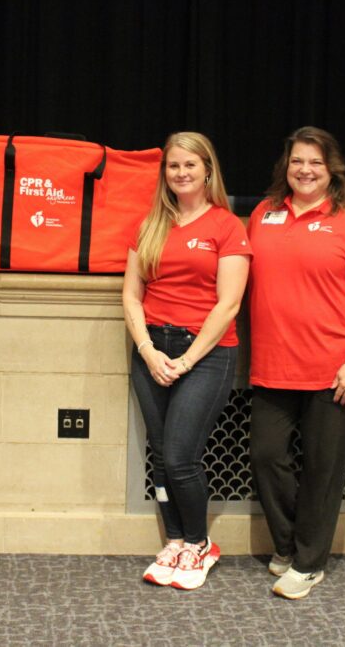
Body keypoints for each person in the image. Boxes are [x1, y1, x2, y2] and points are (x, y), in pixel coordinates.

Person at [247, 126, 345, 600]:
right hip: (271, 365)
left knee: (323, 470)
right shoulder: (263, 214)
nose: (305, 170)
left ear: (332, 170)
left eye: (315, 162)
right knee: (267, 457)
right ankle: (289, 543)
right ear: (284, 167)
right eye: (296, 162)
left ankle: (309, 563)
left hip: (332, 371)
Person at [123, 132, 251, 590]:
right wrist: (147, 350)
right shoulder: (151, 224)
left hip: (208, 353)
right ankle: (175, 540)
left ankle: (199, 544)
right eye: (173, 166)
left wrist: (186, 359)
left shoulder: (228, 226)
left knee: (180, 457)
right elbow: (132, 296)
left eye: (190, 166)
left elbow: (229, 305)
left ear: (208, 171)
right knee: (160, 456)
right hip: (151, 349)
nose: (180, 173)